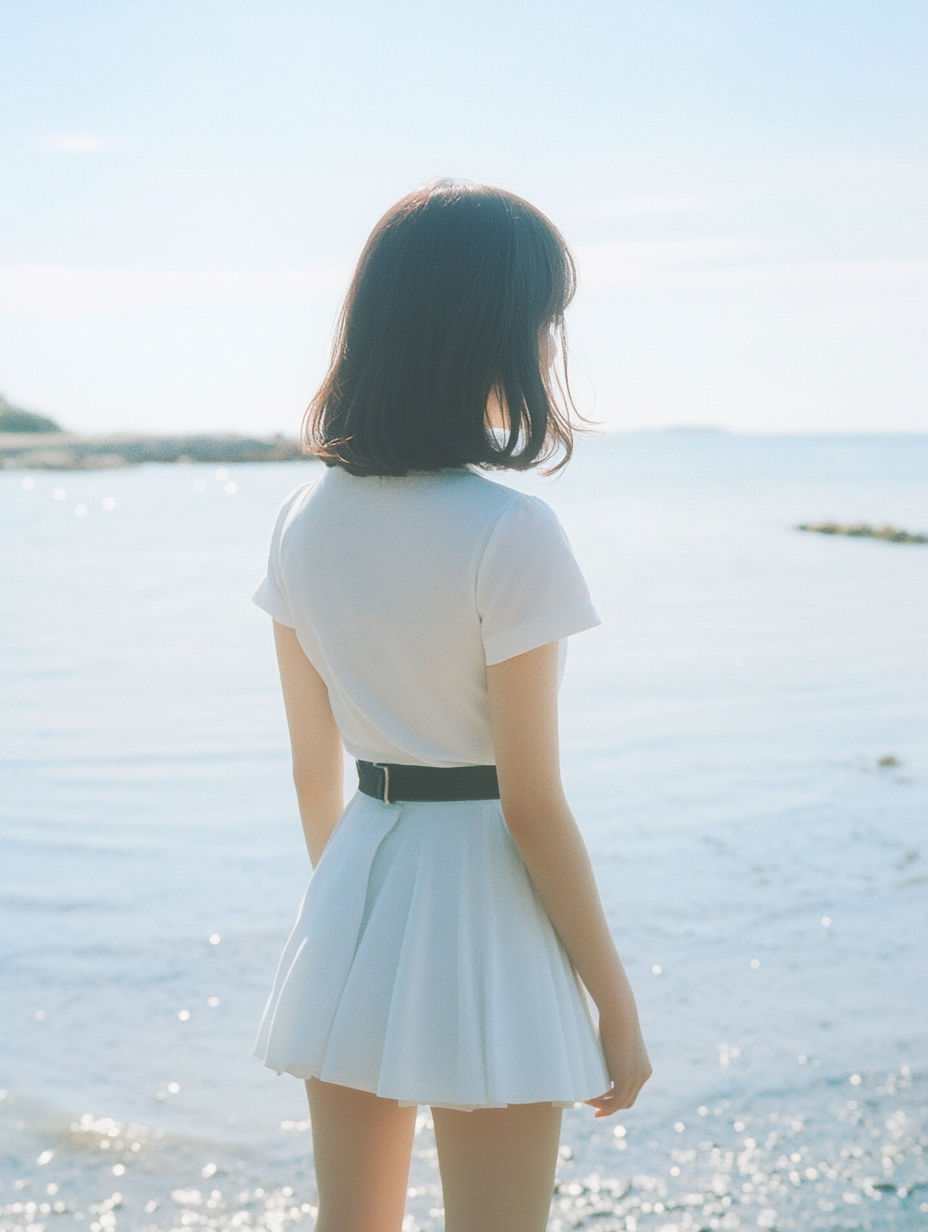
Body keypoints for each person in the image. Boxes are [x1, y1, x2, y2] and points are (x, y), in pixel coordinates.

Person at [252, 179, 651, 1232]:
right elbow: (532, 801)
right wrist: (614, 998)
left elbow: (310, 766)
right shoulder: (509, 531)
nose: (548, 343)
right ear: (496, 332)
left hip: (353, 891)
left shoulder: (301, 519)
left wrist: (355, 919)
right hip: (486, 903)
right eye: (541, 320)